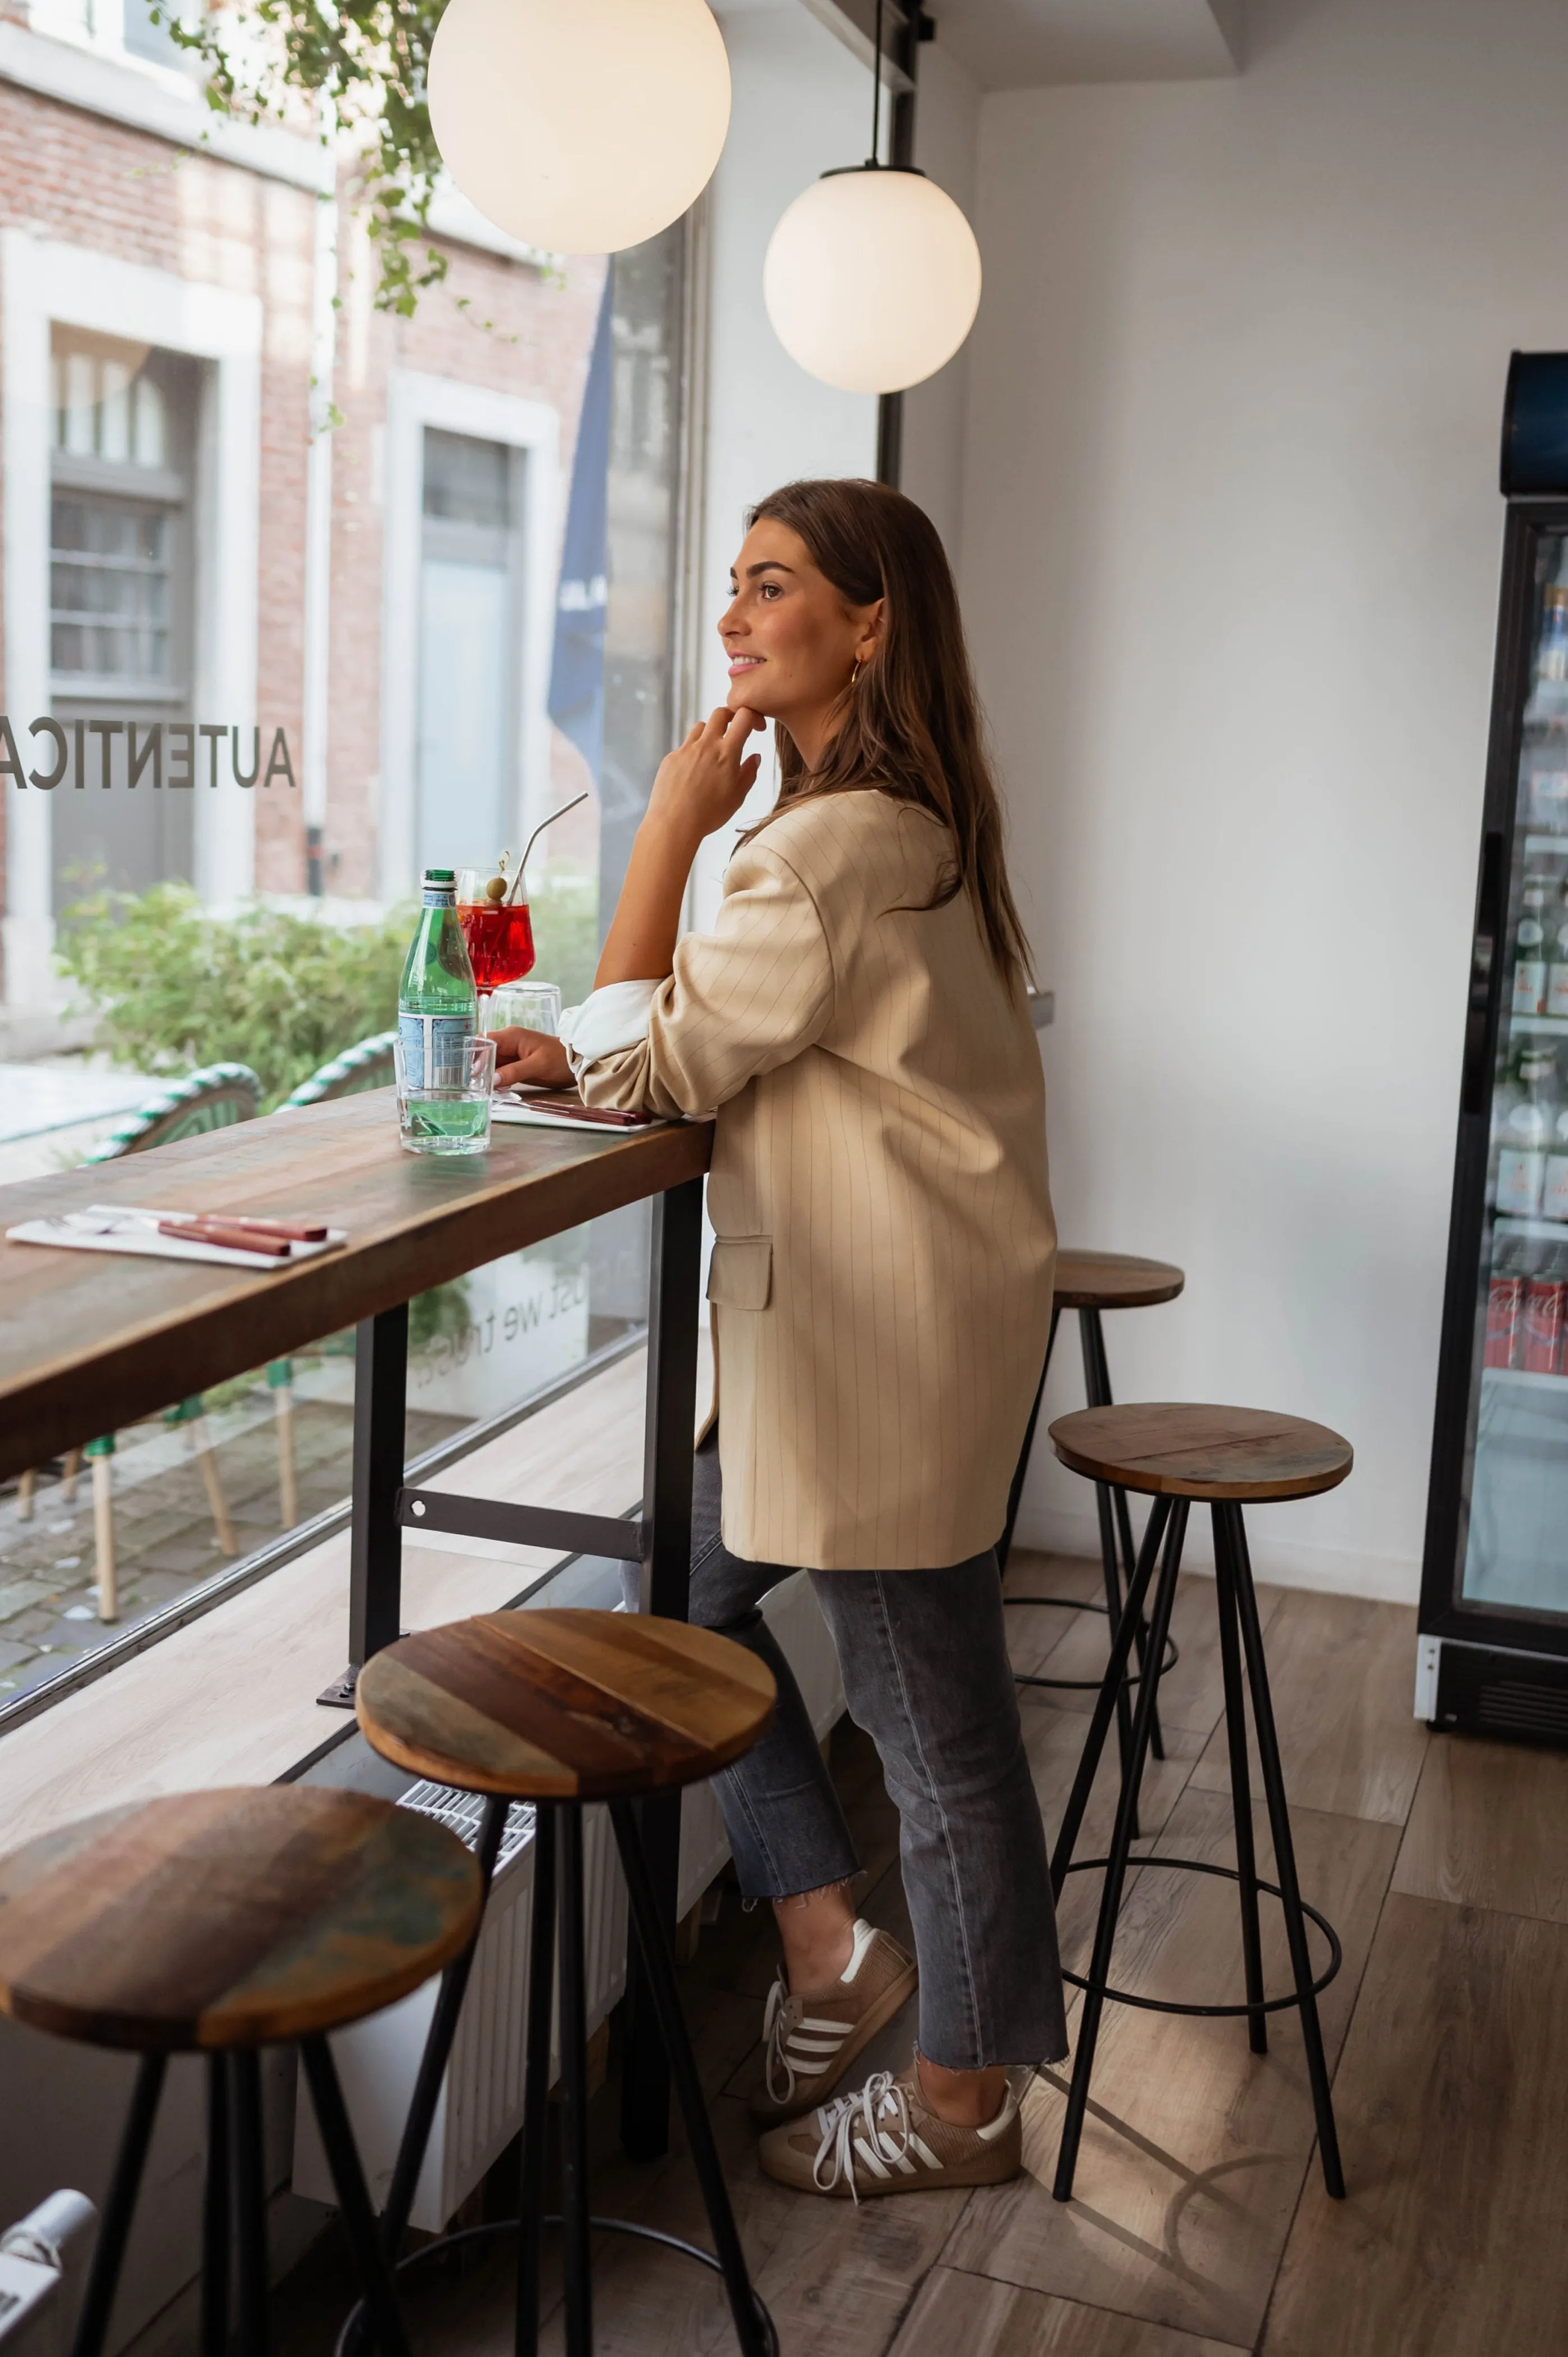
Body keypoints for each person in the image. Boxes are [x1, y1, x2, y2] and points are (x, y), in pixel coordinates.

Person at [491, 476, 1063, 2201]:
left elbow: (654, 1063)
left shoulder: (814, 851)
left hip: (871, 1345)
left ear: (867, 623)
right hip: (893, 1322)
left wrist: (667, 826)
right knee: (684, 1593)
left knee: (932, 1726)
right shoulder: (911, 821)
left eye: (771, 586)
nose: (734, 618)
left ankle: (965, 2103)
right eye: (731, 586)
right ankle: (826, 1948)